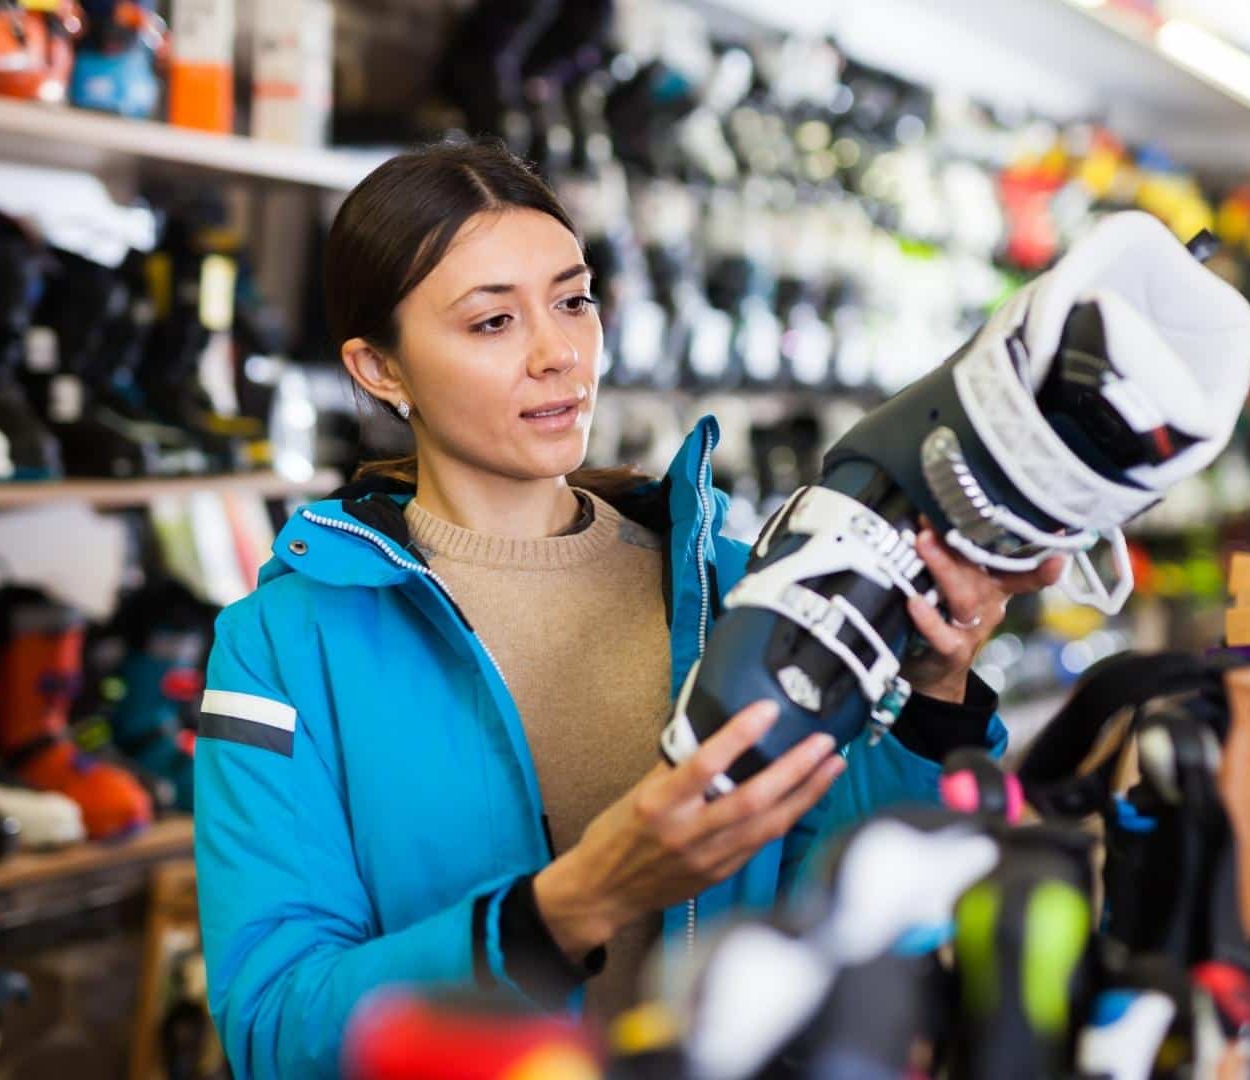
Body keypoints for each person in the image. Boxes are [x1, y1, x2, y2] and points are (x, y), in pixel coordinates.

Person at [193, 139, 1062, 1079]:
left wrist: (932, 689)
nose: (558, 353)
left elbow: (854, 908)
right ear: (379, 370)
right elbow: (274, 1028)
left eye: (573, 301)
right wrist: (569, 905)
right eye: (492, 323)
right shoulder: (281, 646)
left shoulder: (735, 584)